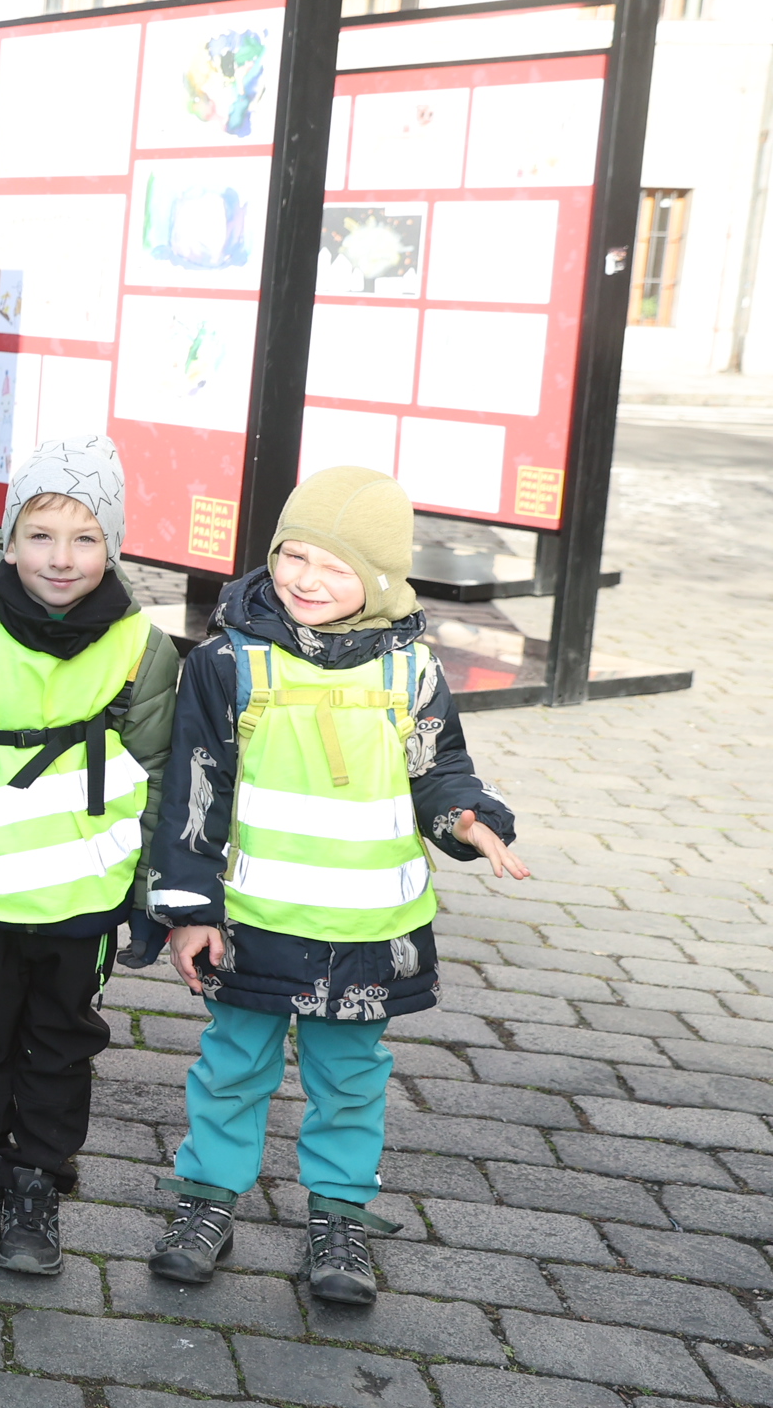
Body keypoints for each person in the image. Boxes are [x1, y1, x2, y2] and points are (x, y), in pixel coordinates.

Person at [144, 467, 527, 1306]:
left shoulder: (411, 668)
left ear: (382, 579)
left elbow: (439, 769)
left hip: (368, 928)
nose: (307, 579)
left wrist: (468, 820)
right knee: (233, 1066)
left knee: (350, 1079)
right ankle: (207, 1201)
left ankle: (340, 1215)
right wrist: (189, 909)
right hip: (252, 921)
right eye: (295, 555)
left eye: (335, 566)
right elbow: (195, 787)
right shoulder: (226, 662)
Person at [0, 436, 178, 1275]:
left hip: (87, 888)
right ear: (8, 542)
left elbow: (156, 772)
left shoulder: (143, 646)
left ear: (113, 546)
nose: (61, 558)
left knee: (63, 1041)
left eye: (85, 538)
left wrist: (148, 893)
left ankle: (39, 1176)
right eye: (39, 535)